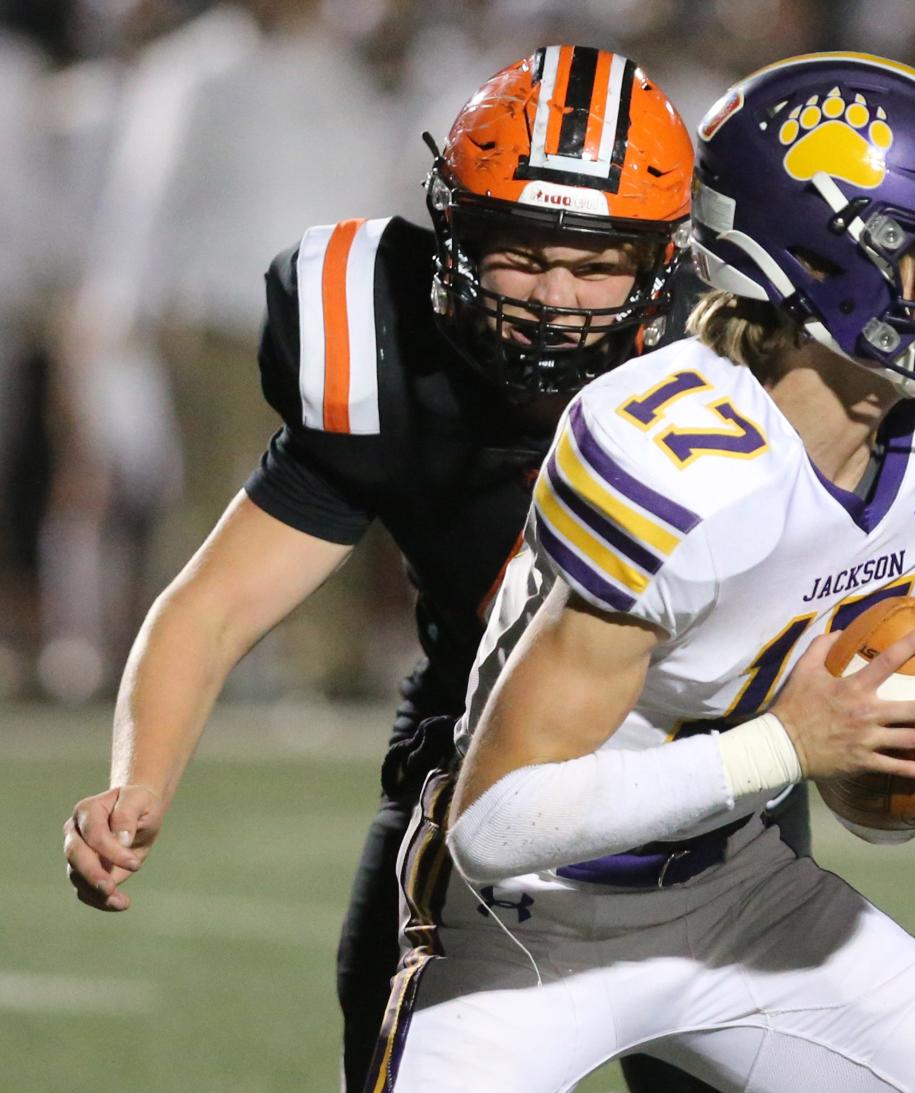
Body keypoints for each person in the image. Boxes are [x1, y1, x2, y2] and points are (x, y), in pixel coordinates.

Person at [374, 53, 915, 1092]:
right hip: (525, 932)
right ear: (819, 265)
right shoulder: (678, 455)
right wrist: (790, 743)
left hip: (739, 895)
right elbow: (495, 821)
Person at [61, 44, 757, 1093]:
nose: (558, 296)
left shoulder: (740, 371)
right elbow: (210, 609)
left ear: (668, 260)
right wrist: (137, 783)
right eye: (521, 252)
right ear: (453, 235)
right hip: (467, 786)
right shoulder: (381, 352)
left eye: (598, 260)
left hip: (703, 796)